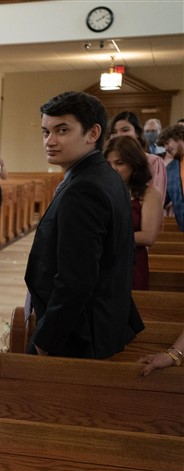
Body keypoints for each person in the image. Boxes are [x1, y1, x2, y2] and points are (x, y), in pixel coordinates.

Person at [24, 91, 143, 359]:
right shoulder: (103, 175)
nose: (50, 141)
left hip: (77, 334)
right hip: (93, 324)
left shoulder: (85, 188)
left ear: (92, 133)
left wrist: (47, 339)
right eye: (45, 132)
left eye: (62, 130)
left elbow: (76, 279)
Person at [103, 136, 162, 290]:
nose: (113, 169)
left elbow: (148, 236)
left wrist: (106, 237)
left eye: (119, 163)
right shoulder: (102, 191)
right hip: (102, 263)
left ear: (134, 164)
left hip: (132, 264)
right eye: (108, 164)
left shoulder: (149, 193)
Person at [109, 111, 167, 199]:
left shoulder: (153, 161)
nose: (119, 135)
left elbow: (157, 201)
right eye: (114, 132)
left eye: (125, 130)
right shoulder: (106, 160)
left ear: (137, 133)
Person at [158, 124, 184, 231]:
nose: (165, 148)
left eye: (167, 143)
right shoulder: (170, 170)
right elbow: (161, 201)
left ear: (179, 136)